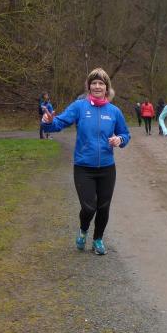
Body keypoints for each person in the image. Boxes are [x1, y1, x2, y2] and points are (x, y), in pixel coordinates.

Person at [40, 68, 131, 255]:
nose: (97, 86)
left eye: (101, 83)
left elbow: (125, 134)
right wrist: (48, 122)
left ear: (107, 88)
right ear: (89, 87)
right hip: (84, 167)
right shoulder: (79, 107)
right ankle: (83, 230)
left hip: (107, 168)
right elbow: (59, 123)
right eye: (94, 83)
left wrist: (119, 139)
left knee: (103, 207)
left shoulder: (114, 111)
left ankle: (98, 240)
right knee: (89, 207)